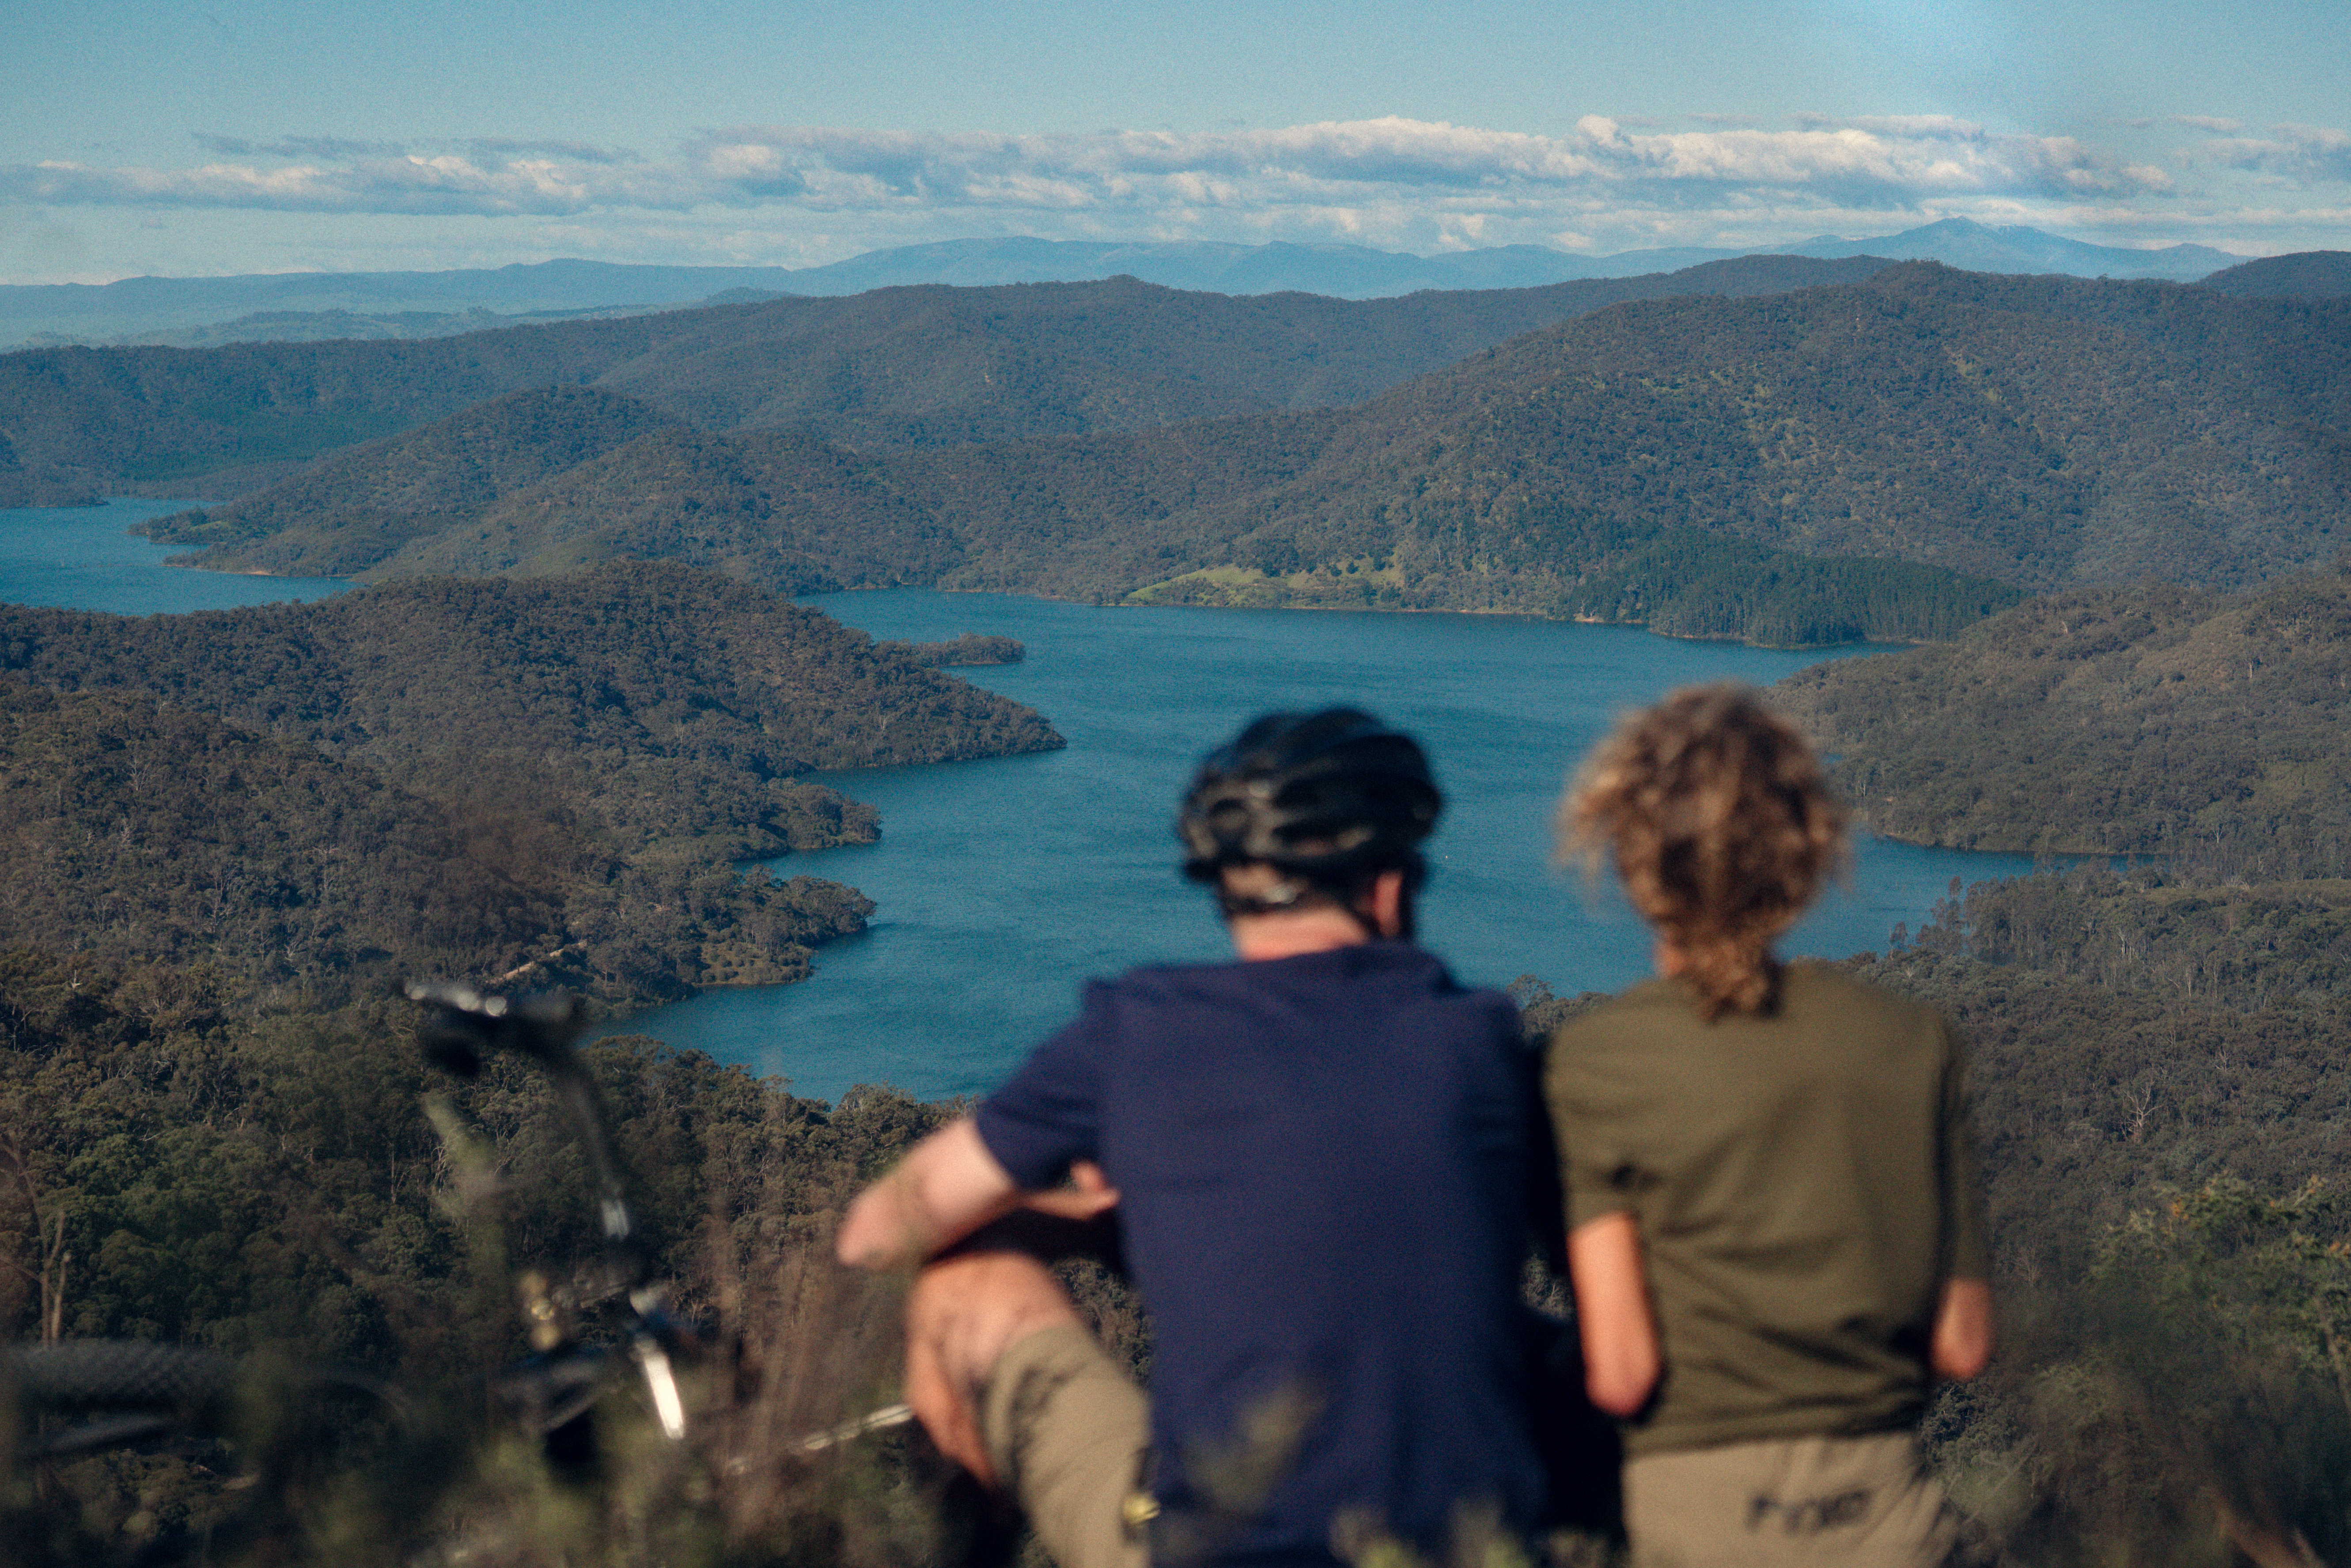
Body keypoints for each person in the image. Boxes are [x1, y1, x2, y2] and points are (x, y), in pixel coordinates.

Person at [835, 708, 1552, 1568]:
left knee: (964, 1278)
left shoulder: (1134, 1032)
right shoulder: (1483, 1042)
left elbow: (878, 1232)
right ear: (1390, 885)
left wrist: (1097, 1213)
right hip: (1475, 1545)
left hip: (1209, 1546)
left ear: (1225, 887)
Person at [1546, 684, 1993, 1568]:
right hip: (1888, 1522)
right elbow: (1962, 1340)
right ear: (1806, 850)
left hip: (1690, 1524)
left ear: (1631, 857)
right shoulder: (1911, 1043)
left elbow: (1622, 1369)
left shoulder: (1595, 1060)